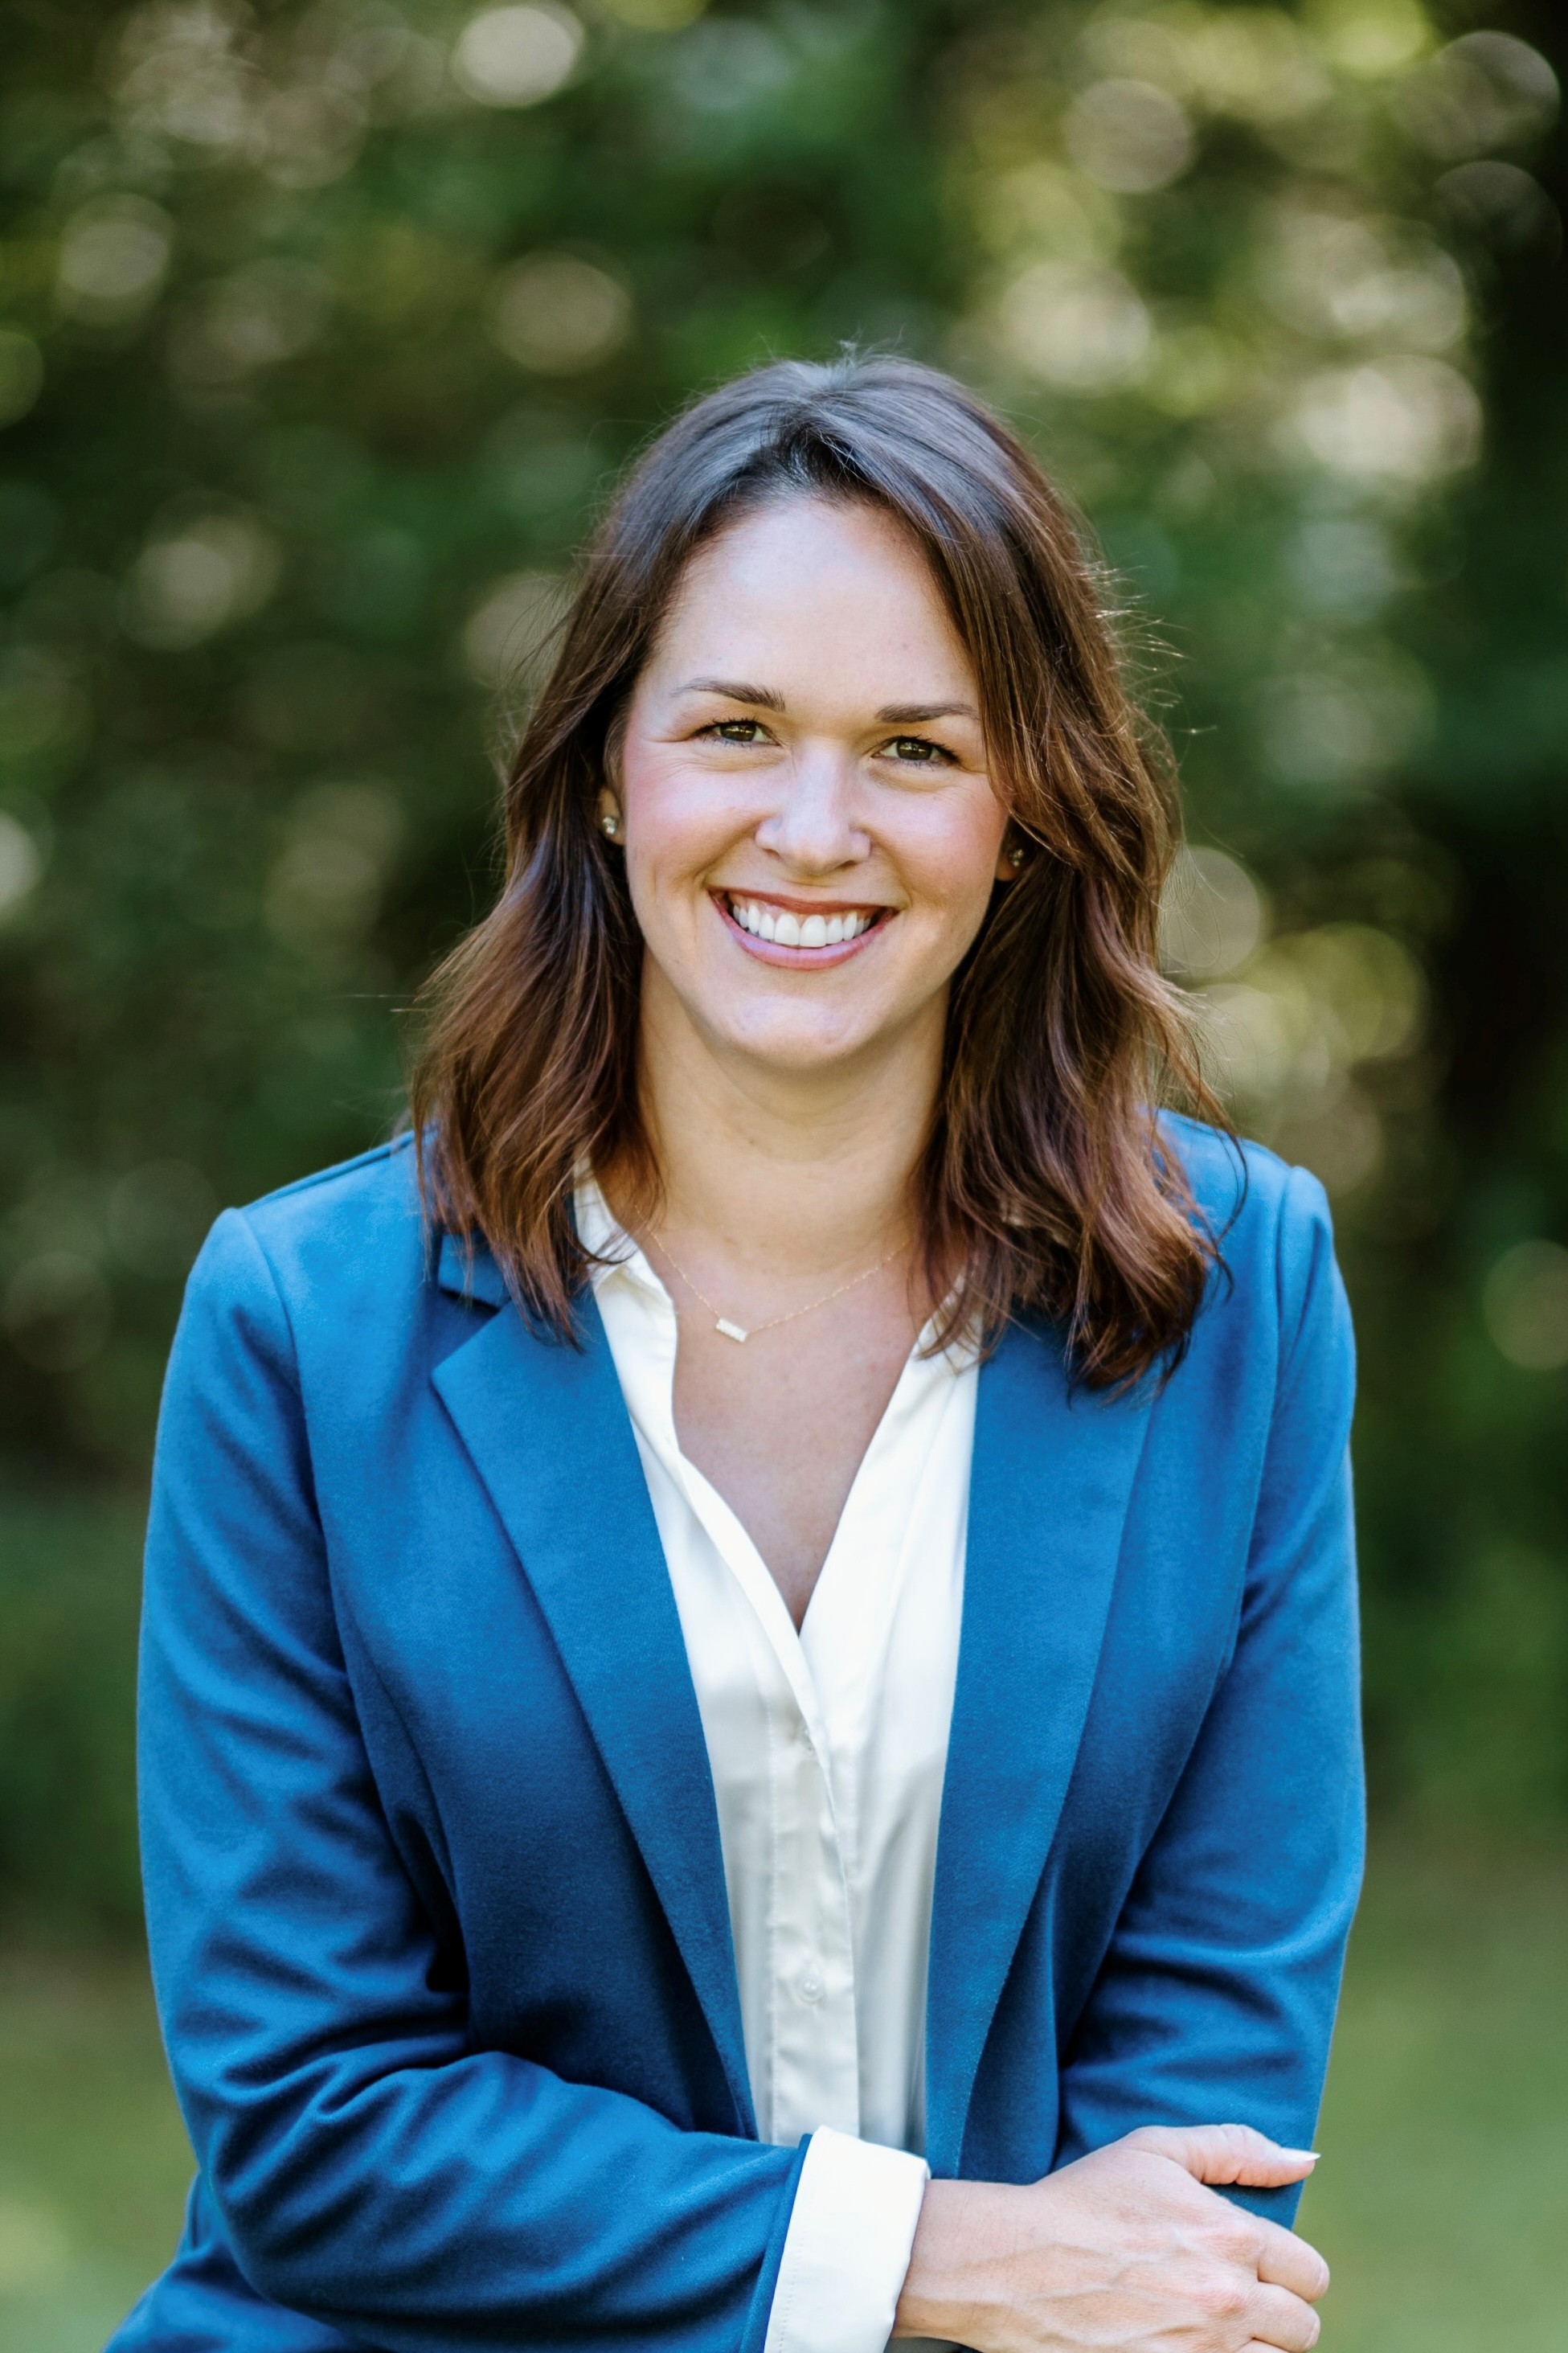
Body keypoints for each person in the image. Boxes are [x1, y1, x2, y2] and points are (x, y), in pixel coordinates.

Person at [111, 355, 1361, 2353]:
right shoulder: (299, 1322)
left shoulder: (1240, 1291)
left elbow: (1198, 2125)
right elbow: (311, 2122)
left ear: (1023, 810)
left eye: (914, 749)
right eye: (736, 729)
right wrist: (921, 2261)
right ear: (609, 771)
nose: (813, 827)